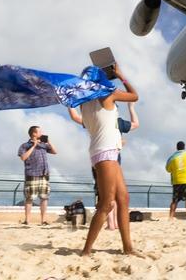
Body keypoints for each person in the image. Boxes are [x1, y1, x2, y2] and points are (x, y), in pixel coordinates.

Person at [78, 64, 139, 256]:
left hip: (103, 151)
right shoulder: (108, 95)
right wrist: (120, 74)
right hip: (106, 153)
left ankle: (128, 248)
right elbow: (134, 95)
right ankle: (86, 251)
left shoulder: (83, 102)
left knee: (123, 198)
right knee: (106, 203)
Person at [68, 102, 139, 230]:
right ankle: (114, 224)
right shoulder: (118, 122)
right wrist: (131, 107)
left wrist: (71, 102)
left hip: (101, 158)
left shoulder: (97, 118)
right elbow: (135, 124)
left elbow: (76, 117)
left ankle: (111, 224)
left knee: (106, 194)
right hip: (115, 158)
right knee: (116, 194)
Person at [17, 125, 58, 225]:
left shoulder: (44, 145)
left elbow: (55, 151)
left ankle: (43, 220)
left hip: (44, 174)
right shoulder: (24, 145)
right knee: (29, 198)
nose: (42, 133)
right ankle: (27, 220)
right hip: (31, 174)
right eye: (40, 132)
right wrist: (34, 146)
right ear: (34, 133)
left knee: (44, 197)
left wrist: (49, 142)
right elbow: (23, 157)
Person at [166, 141, 186, 220]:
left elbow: (168, 169)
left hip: (176, 181)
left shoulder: (172, 157)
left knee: (174, 201)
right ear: (184, 147)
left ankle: (171, 217)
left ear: (177, 148)